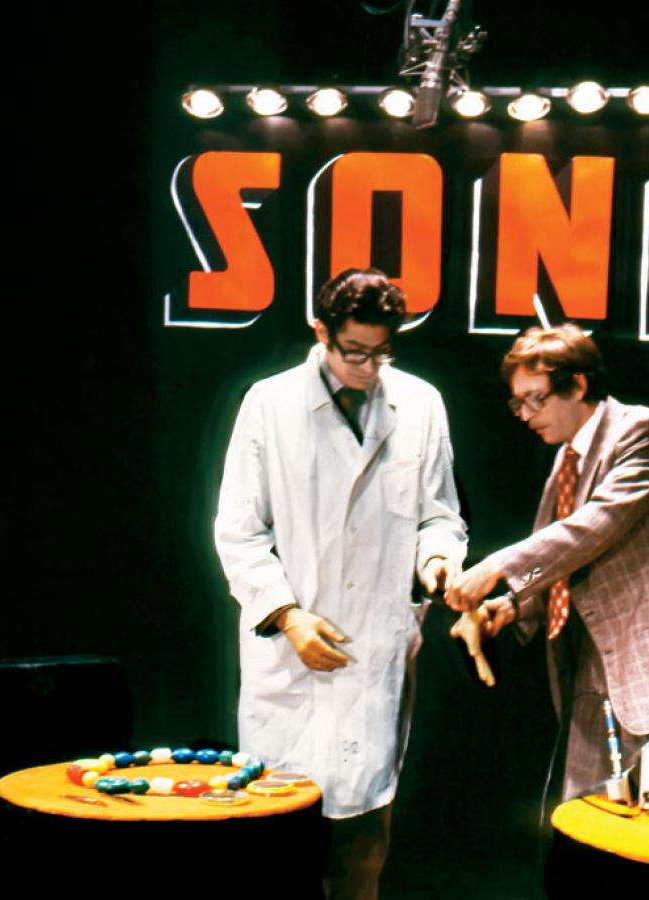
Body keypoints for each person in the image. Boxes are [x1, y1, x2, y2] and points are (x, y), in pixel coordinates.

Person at [214, 268, 467, 900]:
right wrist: (288, 616)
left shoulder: (420, 404)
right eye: (354, 351)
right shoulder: (269, 404)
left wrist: (438, 560)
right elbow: (239, 532)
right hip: (290, 657)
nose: (368, 367)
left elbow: (439, 515)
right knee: (280, 841)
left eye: (382, 353)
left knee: (364, 840)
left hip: (372, 654)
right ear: (321, 331)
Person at [445, 323, 649, 803]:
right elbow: (555, 564)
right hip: (590, 687)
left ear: (576, 385)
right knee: (582, 836)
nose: (525, 415)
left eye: (535, 399)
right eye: (517, 403)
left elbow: (594, 527)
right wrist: (508, 607)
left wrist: (493, 567)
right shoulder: (566, 462)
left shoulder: (642, 432)